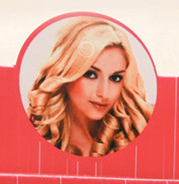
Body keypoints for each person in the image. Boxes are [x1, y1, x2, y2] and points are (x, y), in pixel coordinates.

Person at [27, 16, 153, 157]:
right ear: (66, 72)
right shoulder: (32, 134)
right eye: (91, 75)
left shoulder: (135, 133)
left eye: (115, 78)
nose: (104, 93)